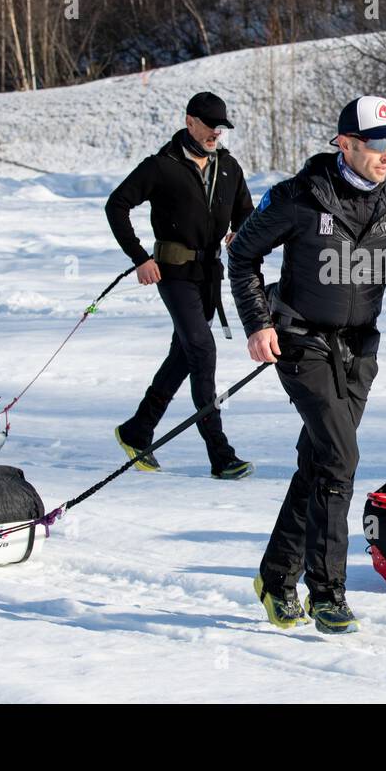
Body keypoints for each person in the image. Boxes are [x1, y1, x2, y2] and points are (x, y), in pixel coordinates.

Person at [228, 94, 386, 634]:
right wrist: (257, 323)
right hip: (300, 341)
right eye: (375, 144)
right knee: (341, 458)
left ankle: (275, 578)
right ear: (345, 143)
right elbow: (243, 254)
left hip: (359, 349)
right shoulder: (300, 197)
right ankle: (326, 592)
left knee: (320, 463)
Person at [105, 91, 256, 480]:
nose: (216, 134)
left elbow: (246, 214)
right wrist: (140, 258)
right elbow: (116, 205)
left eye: (220, 128)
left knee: (184, 355)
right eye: (210, 126)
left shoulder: (228, 167)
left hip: (210, 276)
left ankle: (137, 430)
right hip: (173, 274)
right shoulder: (161, 166)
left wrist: (239, 232)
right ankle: (220, 455)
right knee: (202, 352)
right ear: (190, 121)